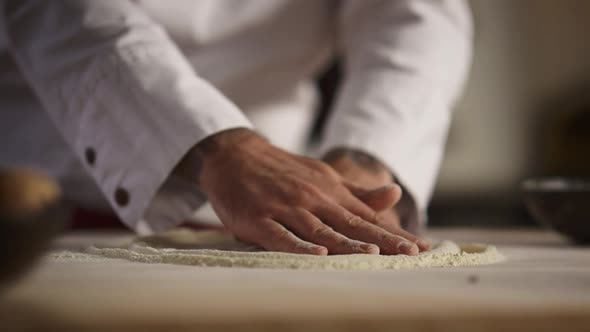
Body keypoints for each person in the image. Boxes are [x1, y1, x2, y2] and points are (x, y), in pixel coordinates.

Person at [0, 0, 472, 256]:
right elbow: (61, 13)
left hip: (286, 226)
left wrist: (368, 159)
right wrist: (217, 147)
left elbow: (416, 15)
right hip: (44, 210)